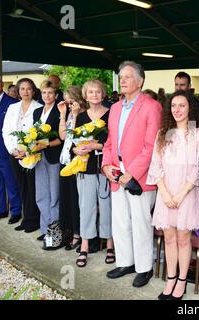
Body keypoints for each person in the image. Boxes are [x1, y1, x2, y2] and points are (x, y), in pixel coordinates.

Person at [102, 61, 162, 287]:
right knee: (120, 221)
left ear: (140, 81)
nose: (123, 80)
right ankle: (125, 261)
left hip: (139, 175)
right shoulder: (115, 108)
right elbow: (109, 142)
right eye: (121, 76)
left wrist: (133, 173)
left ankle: (144, 267)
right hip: (115, 171)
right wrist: (106, 165)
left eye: (128, 76)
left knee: (140, 222)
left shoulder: (151, 106)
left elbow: (152, 145)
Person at [147, 90, 199, 300]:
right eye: (173, 106)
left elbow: (198, 168)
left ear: (190, 108)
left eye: (182, 105)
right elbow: (155, 165)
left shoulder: (198, 134)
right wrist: (164, 192)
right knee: (169, 237)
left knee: (183, 237)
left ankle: (182, 281)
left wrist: (180, 195)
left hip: (187, 193)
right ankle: (170, 278)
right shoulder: (163, 133)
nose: (177, 110)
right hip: (166, 194)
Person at [73, 79, 112, 267]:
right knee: (86, 207)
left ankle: (110, 244)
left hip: (105, 168)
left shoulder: (111, 114)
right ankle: (85, 245)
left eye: (98, 92)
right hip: (86, 168)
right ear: (85, 95)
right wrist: (77, 150)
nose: (94, 95)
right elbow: (74, 142)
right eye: (90, 92)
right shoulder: (80, 117)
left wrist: (98, 146)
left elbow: (116, 142)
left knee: (107, 207)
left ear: (103, 94)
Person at [2, 78, 42, 233]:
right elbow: (5, 131)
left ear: (33, 91)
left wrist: (27, 151)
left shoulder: (39, 108)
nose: (25, 92)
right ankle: (26, 219)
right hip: (14, 153)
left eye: (29, 88)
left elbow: (40, 134)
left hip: (31, 154)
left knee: (32, 187)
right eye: (22, 89)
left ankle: (34, 220)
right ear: (18, 91)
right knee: (22, 187)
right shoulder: (12, 108)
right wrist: (12, 150)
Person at [57, 86, 86, 250]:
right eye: (66, 101)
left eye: (70, 100)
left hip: (77, 159)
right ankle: (68, 230)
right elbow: (63, 136)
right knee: (66, 196)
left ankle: (78, 233)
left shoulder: (83, 115)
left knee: (76, 198)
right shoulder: (69, 113)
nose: (68, 104)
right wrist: (63, 115)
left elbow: (75, 136)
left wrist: (74, 115)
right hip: (65, 157)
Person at [33, 80, 63, 242]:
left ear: (56, 95)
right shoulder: (37, 112)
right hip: (38, 156)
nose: (47, 95)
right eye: (44, 92)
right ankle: (45, 229)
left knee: (54, 195)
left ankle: (54, 230)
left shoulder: (59, 112)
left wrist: (45, 144)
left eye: (50, 93)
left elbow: (61, 139)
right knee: (41, 194)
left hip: (53, 156)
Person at [0, 74, 21, 224]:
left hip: (5, 148)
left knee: (11, 181)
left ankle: (16, 211)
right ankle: (0, 209)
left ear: (2, 84)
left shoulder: (12, 103)